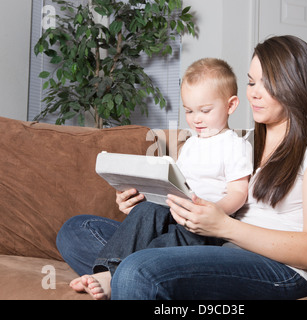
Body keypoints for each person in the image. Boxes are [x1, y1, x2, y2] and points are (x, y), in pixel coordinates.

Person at [57, 58, 253, 299]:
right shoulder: (191, 144)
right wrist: (147, 193)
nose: (196, 119)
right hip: (174, 212)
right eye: (189, 111)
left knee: (179, 238)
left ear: (231, 105)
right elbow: (177, 182)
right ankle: (116, 272)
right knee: (80, 228)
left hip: (204, 229)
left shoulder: (235, 145)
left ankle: (113, 275)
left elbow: (238, 193)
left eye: (205, 110)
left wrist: (212, 211)